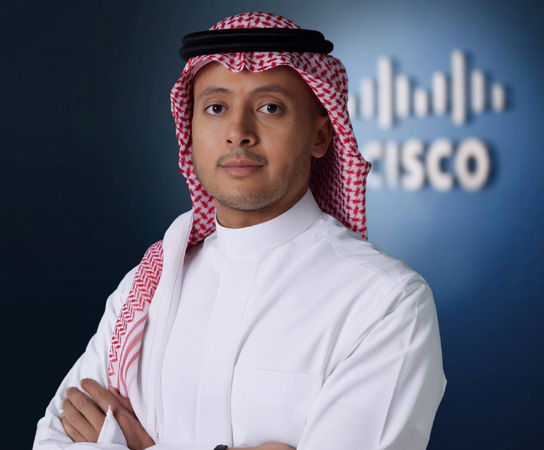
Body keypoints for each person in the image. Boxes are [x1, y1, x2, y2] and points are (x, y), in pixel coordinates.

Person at [32, 12, 446, 450]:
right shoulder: (147, 284)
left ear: (320, 136)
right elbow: (54, 438)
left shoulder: (384, 302)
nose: (238, 133)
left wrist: (142, 446)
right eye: (216, 108)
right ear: (190, 129)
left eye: (270, 107)